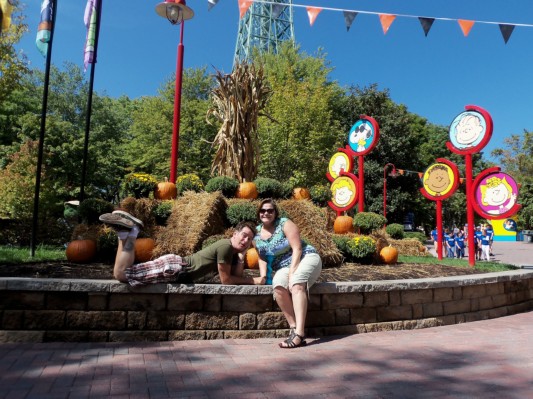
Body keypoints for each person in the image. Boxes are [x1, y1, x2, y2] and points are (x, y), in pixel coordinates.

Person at [99, 210, 265, 286]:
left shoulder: (232, 252)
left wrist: (242, 257)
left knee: (121, 273)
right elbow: (226, 281)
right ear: (234, 234)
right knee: (121, 274)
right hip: (175, 268)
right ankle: (133, 232)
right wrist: (253, 280)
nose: (245, 240)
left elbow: (235, 276)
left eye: (249, 239)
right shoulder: (225, 246)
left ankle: (124, 233)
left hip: (175, 268)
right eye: (243, 235)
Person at [254, 199, 322, 349]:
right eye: (263, 210)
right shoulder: (256, 234)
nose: (266, 213)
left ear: (275, 213)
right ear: (259, 213)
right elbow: (261, 257)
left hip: (306, 257)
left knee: (296, 284)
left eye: (270, 210)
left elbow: (297, 249)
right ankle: (293, 327)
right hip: (283, 266)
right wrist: (263, 276)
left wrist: (292, 274)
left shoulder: (285, 224)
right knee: (278, 287)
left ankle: (299, 334)